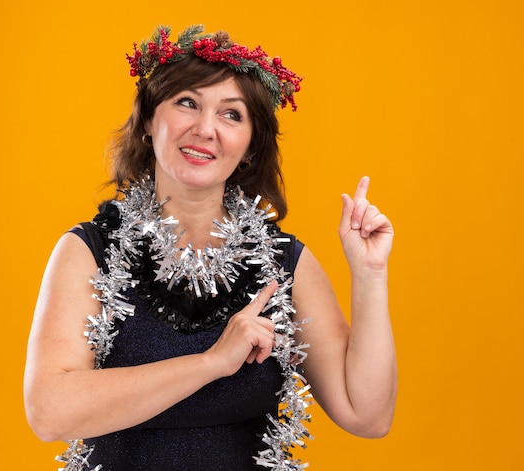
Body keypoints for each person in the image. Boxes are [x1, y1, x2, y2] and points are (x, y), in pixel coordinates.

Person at [24, 24, 397, 470]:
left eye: (231, 114)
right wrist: (211, 362)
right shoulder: (90, 251)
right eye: (187, 103)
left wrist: (370, 275)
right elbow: (48, 412)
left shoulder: (282, 263)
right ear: (148, 120)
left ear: (250, 147)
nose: (205, 129)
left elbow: (367, 414)